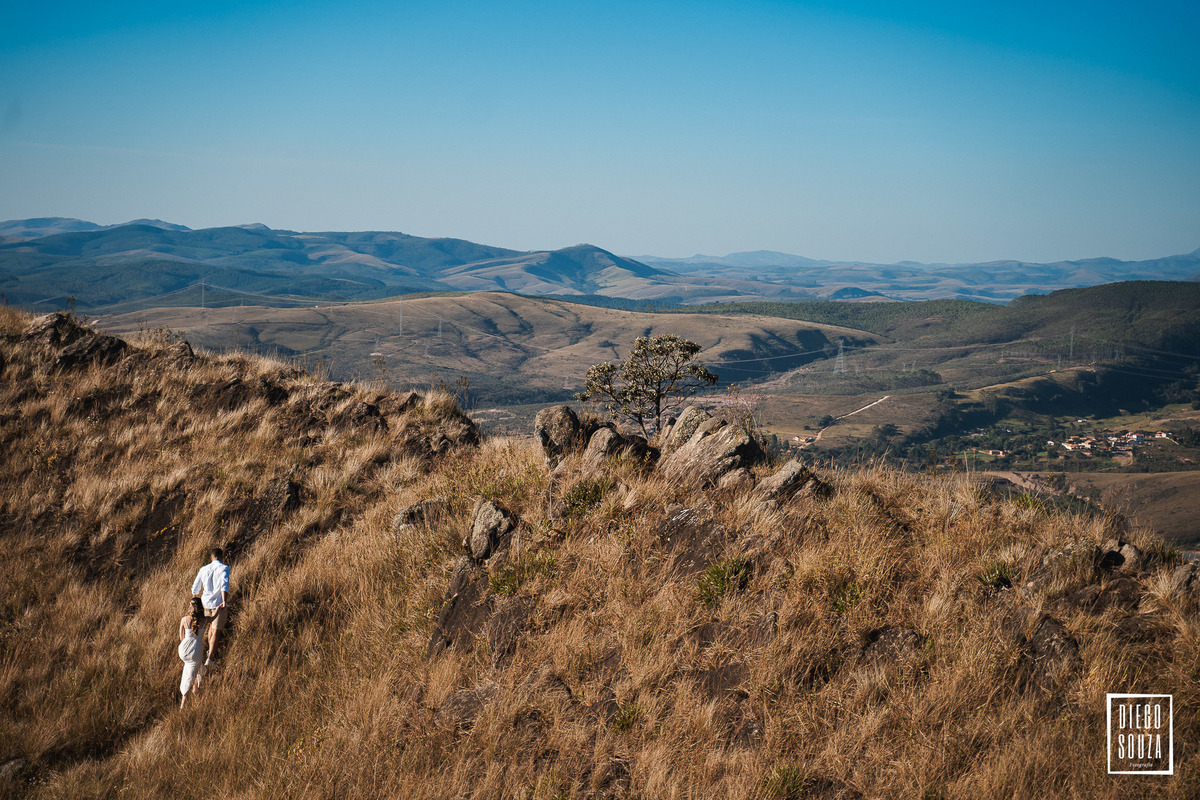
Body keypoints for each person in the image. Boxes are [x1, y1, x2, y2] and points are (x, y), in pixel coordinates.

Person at [191, 547, 230, 668]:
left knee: (210, 630)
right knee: (216, 630)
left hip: (205, 603)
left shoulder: (204, 569)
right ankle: (210, 659)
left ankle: (208, 654)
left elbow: (195, 588)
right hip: (218, 603)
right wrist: (224, 601)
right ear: (221, 557)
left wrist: (195, 599)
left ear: (211, 557)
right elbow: (224, 585)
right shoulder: (224, 568)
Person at [178, 597, 207, 708]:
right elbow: (214, 617)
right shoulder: (205, 621)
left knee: (191, 671)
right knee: (190, 677)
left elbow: (182, 638)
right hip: (195, 652)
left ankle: (196, 692)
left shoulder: (184, 619)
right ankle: (182, 707)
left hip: (184, 650)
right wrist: (218, 609)